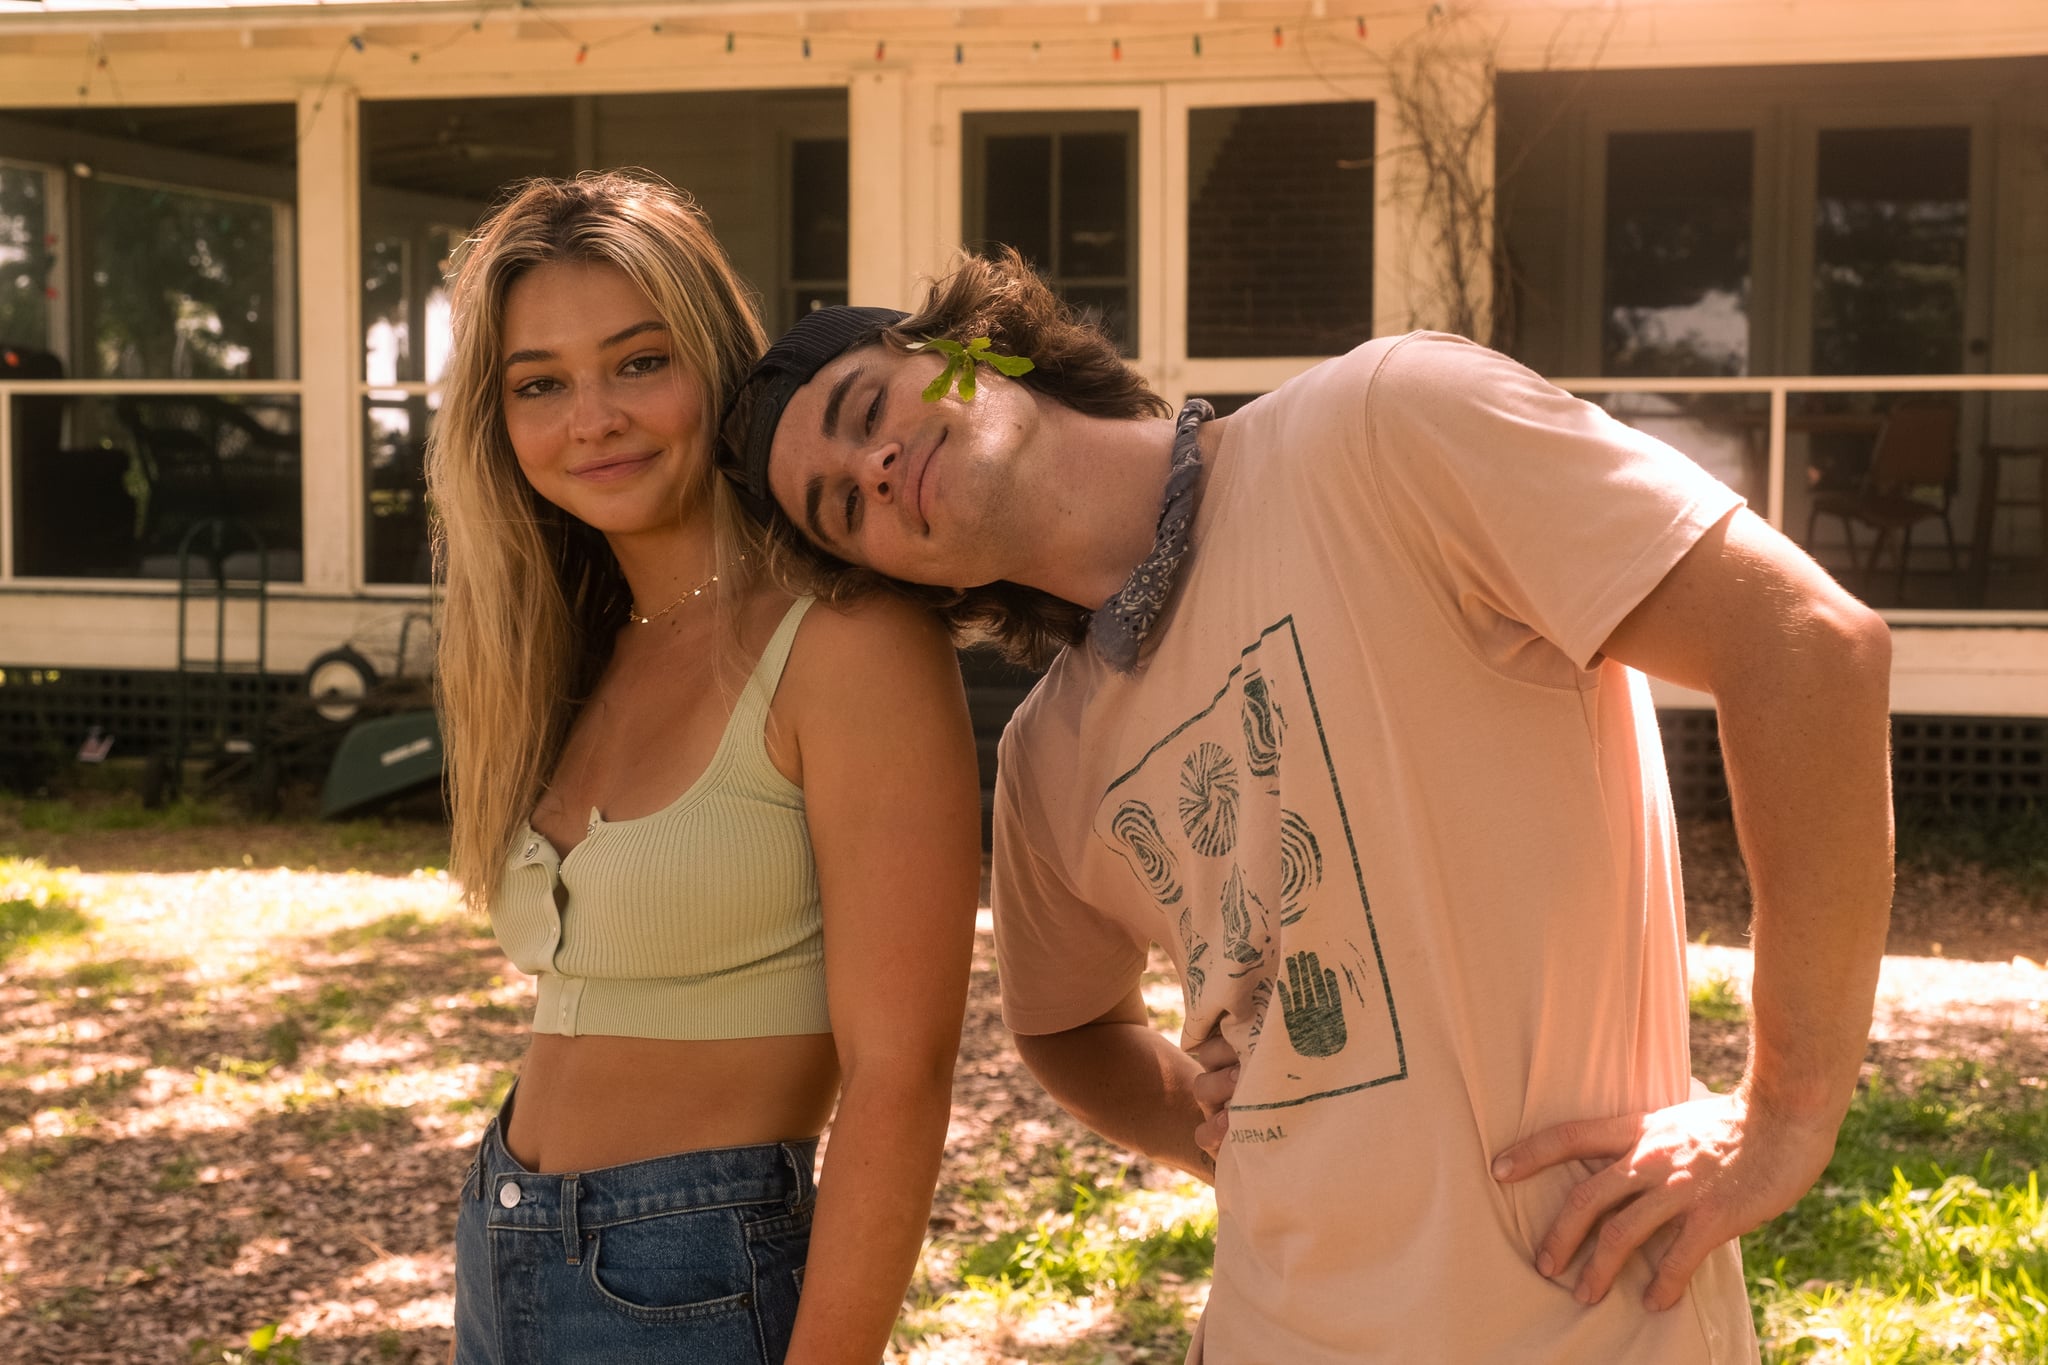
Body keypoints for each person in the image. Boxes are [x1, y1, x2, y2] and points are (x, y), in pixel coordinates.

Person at [716, 251, 1895, 1362]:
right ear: (907, 577)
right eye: (838, 510)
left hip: (1587, 1312)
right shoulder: (1044, 763)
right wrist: (1197, 1119)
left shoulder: (1387, 426)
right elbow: (1063, 1027)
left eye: (867, 409)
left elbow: (1802, 646)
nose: (868, 469)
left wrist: (1782, 1113)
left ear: (974, 348)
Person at [428, 172, 981, 1364]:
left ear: (715, 363)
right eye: (540, 385)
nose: (594, 418)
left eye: (638, 362)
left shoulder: (844, 641)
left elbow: (902, 1070)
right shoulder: (572, 654)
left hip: (689, 1274)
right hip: (505, 1239)